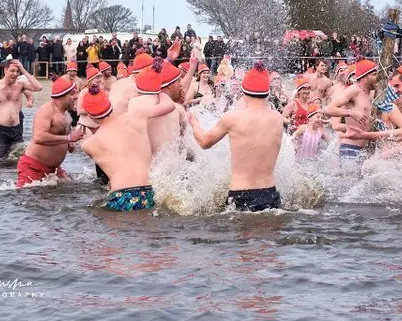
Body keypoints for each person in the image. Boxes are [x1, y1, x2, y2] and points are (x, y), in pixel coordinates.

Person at [189, 62, 285, 211]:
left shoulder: (232, 118)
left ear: (243, 91)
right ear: (267, 92)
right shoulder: (277, 119)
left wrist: (194, 123)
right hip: (270, 194)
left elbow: (204, 142)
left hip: (241, 195)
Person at [79, 78, 176, 211]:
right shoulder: (137, 115)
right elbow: (169, 106)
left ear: (90, 116)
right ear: (110, 105)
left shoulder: (88, 145)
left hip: (120, 195)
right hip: (149, 192)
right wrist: (159, 91)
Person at [16, 76, 80, 187]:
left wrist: (70, 144)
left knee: (74, 187)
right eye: (72, 94)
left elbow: (61, 139)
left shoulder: (66, 114)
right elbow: (39, 137)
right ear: (61, 96)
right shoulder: (47, 110)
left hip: (54, 169)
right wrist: (68, 138)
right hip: (34, 167)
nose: (76, 97)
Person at [0, 59, 42, 162]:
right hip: (0, 131)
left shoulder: (20, 84)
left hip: (16, 130)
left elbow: (38, 87)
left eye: (17, 71)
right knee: (0, 161)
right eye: (12, 71)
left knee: (20, 161)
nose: (15, 74)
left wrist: (23, 70)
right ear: (5, 70)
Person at [322, 59, 378, 160]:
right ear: (364, 77)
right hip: (350, 148)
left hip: (366, 149)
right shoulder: (353, 91)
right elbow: (328, 109)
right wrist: (351, 113)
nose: (377, 78)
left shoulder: (372, 92)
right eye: (374, 75)